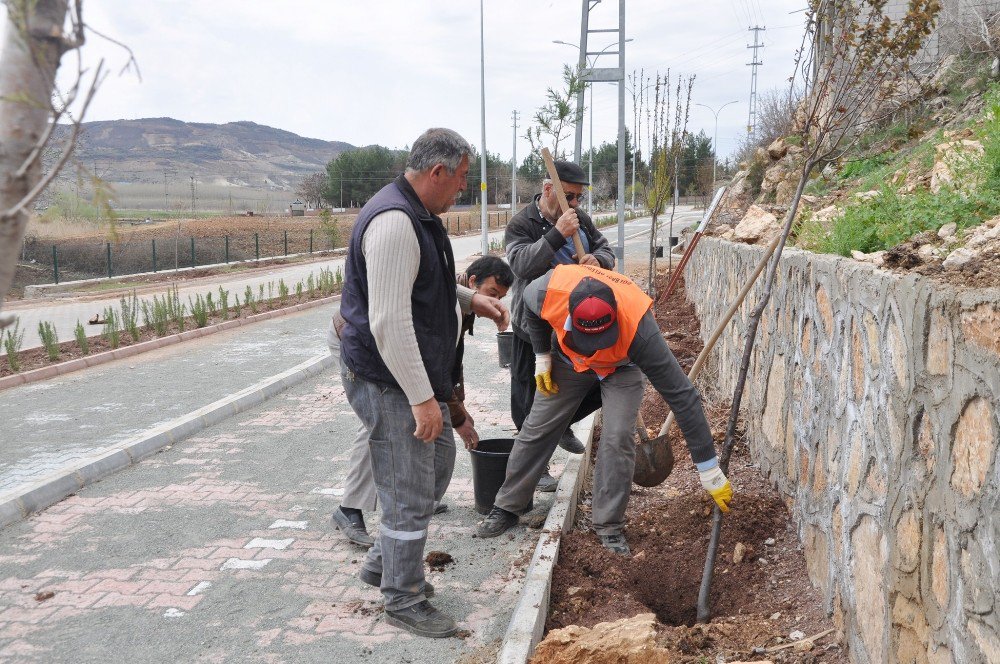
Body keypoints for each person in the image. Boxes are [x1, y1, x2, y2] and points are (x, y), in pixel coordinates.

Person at [338, 128, 509, 638]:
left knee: (435, 464)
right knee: (408, 489)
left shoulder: (420, 215)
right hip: (388, 378)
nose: (462, 189)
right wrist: (423, 399)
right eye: (460, 179)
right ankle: (403, 597)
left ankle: (381, 564)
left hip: (405, 375)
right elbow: (389, 321)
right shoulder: (394, 223)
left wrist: (467, 298)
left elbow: (421, 283)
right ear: (436, 172)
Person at [475, 263, 733, 556]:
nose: (594, 347)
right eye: (589, 339)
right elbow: (532, 313)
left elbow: (682, 396)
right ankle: (508, 505)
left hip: (621, 368)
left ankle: (608, 525)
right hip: (568, 361)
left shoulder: (640, 329)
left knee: (618, 436)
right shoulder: (548, 291)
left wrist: (708, 469)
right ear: (571, 315)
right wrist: (542, 355)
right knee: (537, 426)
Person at [328, 256, 514, 547]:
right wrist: (459, 418)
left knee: (430, 439)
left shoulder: (461, 305)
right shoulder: (437, 297)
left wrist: (458, 409)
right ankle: (349, 509)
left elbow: (450, 363)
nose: (495, 303)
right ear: (473, 282)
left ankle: (419, 503)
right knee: (379, 422)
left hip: (394, 351)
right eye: (492, 294)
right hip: (359, 343)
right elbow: (433, 367)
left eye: (501, 298)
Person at [504, 160, 616, 491]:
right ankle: (536, 470)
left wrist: (600, 261)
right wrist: (557, 235)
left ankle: (564, 421)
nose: (577, 204)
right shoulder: (521, 224)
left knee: (596, 386)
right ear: (549, 190)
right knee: (529, 396)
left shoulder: (580, 220)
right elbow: (522, 265)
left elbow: (604, 248)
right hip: (532, 326)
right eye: (571, 196)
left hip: (574, 327)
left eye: (580, 198)